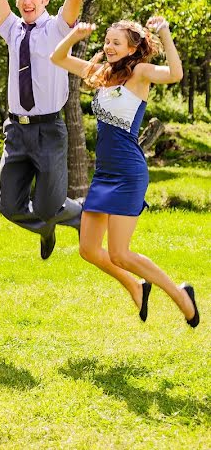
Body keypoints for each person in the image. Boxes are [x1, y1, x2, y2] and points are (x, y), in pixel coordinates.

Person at [51, 17, 198, 327]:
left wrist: (164, 33)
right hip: (104, 174)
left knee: (121, 254)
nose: (109, 46)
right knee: (89, 249)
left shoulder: (141, 72)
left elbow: (175, 73)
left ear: (133, 48)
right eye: (107, 41)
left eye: (116, 42)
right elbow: (58, 58)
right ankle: (136, 286)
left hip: (128, 173)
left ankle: (181, 295)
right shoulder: (102, 75)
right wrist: (75, 35)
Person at [0, 0, 92, 259]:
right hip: (16, 130)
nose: (27, 2)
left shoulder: (59, 28)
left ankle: (69, 217)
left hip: (49, 130)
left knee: (48, 204)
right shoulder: (12, 28)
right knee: (8, 205)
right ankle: (48, 227)